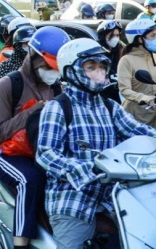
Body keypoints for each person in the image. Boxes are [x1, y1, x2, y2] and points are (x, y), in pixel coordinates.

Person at [37, 38, 156, 248]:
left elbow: (141, 132)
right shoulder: (58, 107)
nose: (99, 73)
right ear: (72, 71)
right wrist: (85, 169)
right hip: (72, 197)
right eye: (91, 68)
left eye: (102, 67)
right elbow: (46, 153)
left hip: (114, 197)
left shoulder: (110, 106)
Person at [0, 26, 69, 249]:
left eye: (55, 68)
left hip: (40, 150)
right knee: (30, 179)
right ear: (35, 59)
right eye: (47, 67)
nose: (52, 72)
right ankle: (20, 242)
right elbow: (0, 132)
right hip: (7, 152)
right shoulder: (10, 84)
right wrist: (33, 110)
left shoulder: (55, 87)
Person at [117, 19, 156, 127]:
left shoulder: (153, 56)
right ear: (139, 39)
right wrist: (143, 98)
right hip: (137, 115)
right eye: (153, 36)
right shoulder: (127, 60)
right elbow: (124, 90)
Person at [96, 20, 123, 103]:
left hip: (117, 91)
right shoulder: (97, 51)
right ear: (103, 36)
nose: (115, 38)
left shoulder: (119, 49)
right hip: (101, 93)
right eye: (112, 35)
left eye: (117, 35)